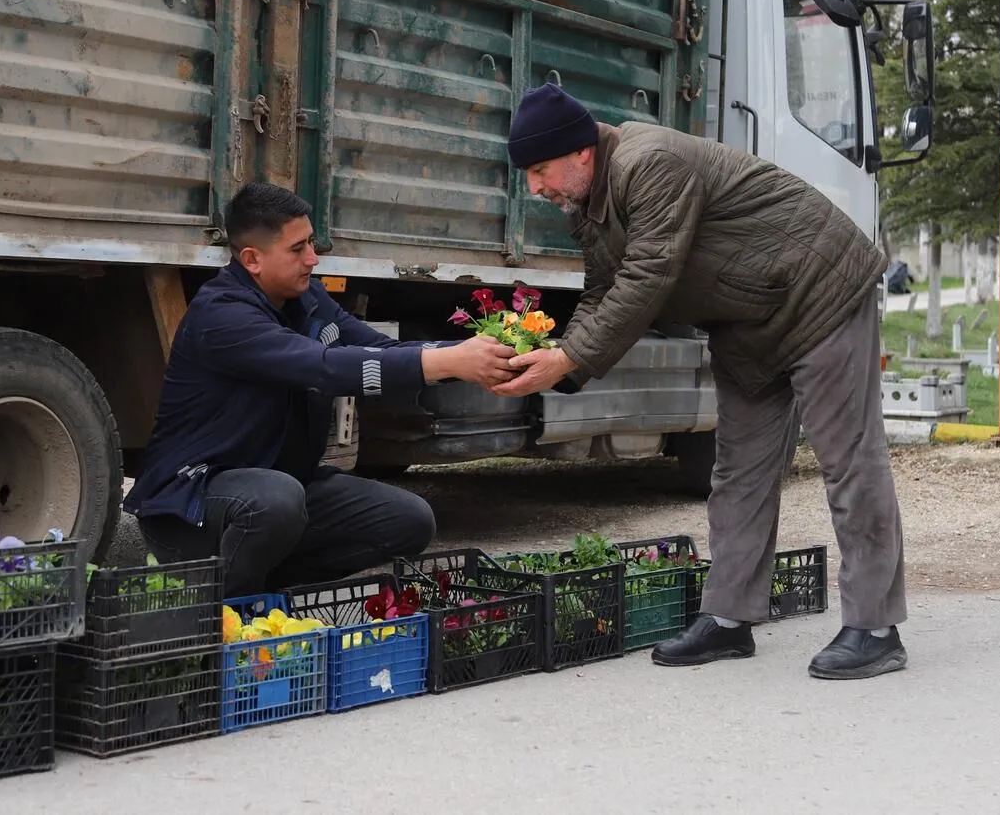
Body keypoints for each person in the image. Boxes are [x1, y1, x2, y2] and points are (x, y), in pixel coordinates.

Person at [493, 83, 909, 680]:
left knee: (849, 459)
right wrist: (560, 362)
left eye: (539, 170)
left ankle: (874, 628)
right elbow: (602, 292)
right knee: (738, 469)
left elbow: (648, 275)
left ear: (581, 151)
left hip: (818, 289)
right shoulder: (591, 203)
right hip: (746, 320)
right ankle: (730, 619)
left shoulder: (648, 162)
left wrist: (569, 359)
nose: (535, 189)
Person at [123, 182, 516, 597]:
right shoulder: (221, 316)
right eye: (297, 249)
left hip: (281, 486)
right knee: (277, 500)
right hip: (196, 504)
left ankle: (270, 589)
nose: (313, 258)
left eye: (311, 242)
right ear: (252, 260)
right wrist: (450, 361)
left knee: (409, 519)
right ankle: (220, 613)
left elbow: (381, 351)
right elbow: (324, 368)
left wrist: (480, 356)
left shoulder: (307, 298)